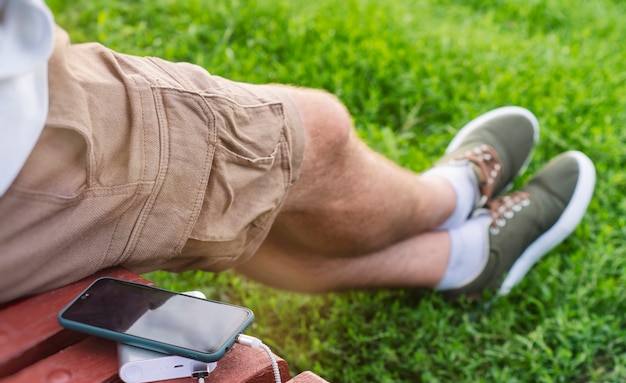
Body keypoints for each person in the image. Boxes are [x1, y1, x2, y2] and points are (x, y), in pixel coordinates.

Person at [0, 0, 596, 304]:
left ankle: (459, 259)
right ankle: (451, 200)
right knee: (314, 137)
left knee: (225, 218)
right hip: (21, 135)